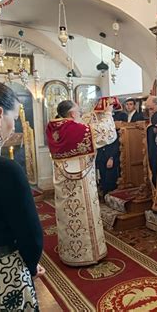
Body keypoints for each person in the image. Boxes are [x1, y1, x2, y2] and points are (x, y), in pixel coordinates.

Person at [0, 78, 44, 310]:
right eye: (14, 118)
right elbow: (30, 235)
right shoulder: (2, 168)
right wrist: (31, 267)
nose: (14, 126)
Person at [46, 100, 117, 266]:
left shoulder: (54, 127)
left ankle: (70, 253)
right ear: (72, 114)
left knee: (68, 216)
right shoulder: (76, 129)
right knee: (83, 215)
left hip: (63, 182)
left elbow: (80, 125)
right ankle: (88, 254)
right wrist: (107, 113)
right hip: (81, 182)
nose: (80, 115)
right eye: (78, 112)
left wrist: (92, 113)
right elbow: (107, 133)